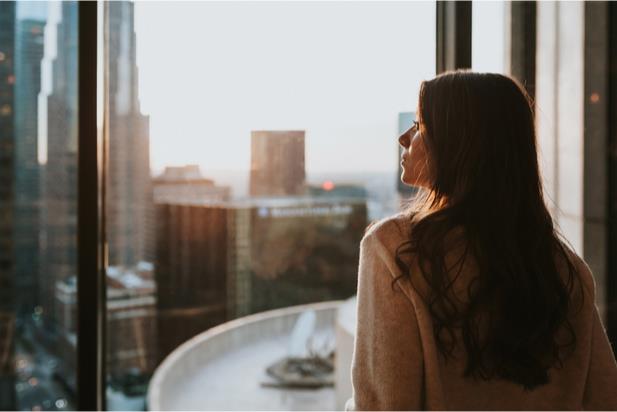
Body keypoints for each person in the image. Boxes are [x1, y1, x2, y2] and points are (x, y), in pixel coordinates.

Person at [345, 71, 617, 411]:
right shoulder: (565, 269)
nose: (404, 137)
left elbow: (384, 405)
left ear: (459, 143)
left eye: (420, 124)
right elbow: (604, 400)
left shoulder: (396, 251)